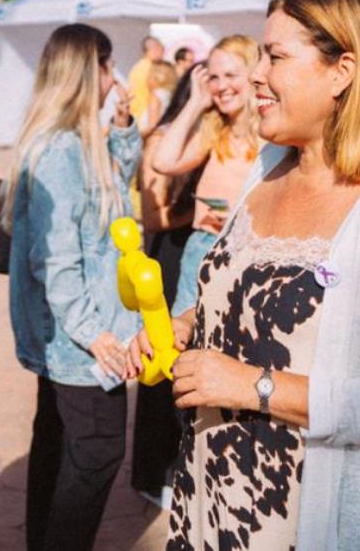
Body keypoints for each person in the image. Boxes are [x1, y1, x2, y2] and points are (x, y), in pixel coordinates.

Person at [133, 0, 360, 549]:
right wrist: (190, 323)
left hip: (310, 520)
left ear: (343, 71)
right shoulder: (266, 168)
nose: (255, 74)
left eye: (276, 57)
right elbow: (245, 295)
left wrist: (250, 385)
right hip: (211, 500)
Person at [5, 23, 141, 551]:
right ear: (91, 70)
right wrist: (97, 335)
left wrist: (123, 125)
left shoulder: (74, 144)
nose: (114, 78)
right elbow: (57, 260)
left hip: (69, 337)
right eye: (108, 67)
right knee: (97, 452)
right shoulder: (60, 151)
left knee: (59, 448)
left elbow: (112, 196)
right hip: (80, 341)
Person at [150, 35, 260, 317]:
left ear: (253, 74)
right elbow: (163, 161)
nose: (221, 86)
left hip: (243, 254)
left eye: (231, 75)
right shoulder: (214, 128)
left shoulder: (269, 137)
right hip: (199, 249)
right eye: (214, 77)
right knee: (182, 347)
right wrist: (196, 103)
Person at [131, 70, 198, 508]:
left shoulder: (213, 139)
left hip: (192, 251)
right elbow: (152, 217)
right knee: (159, 363)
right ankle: (151, 474)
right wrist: (198, 214)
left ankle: (174, 463)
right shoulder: (161, 137)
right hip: (168, 253)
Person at [127, 33, 165, 124]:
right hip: (149, 119)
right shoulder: (153, 69)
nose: (163, 53)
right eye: (162, 49)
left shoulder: (136, 68)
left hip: (136, 117)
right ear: (155, 49)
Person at [138, 59, 177, 139]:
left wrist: (135, 138)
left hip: (151, 141)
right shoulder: (169, 95)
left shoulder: (156, 95)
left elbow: (152, 125)